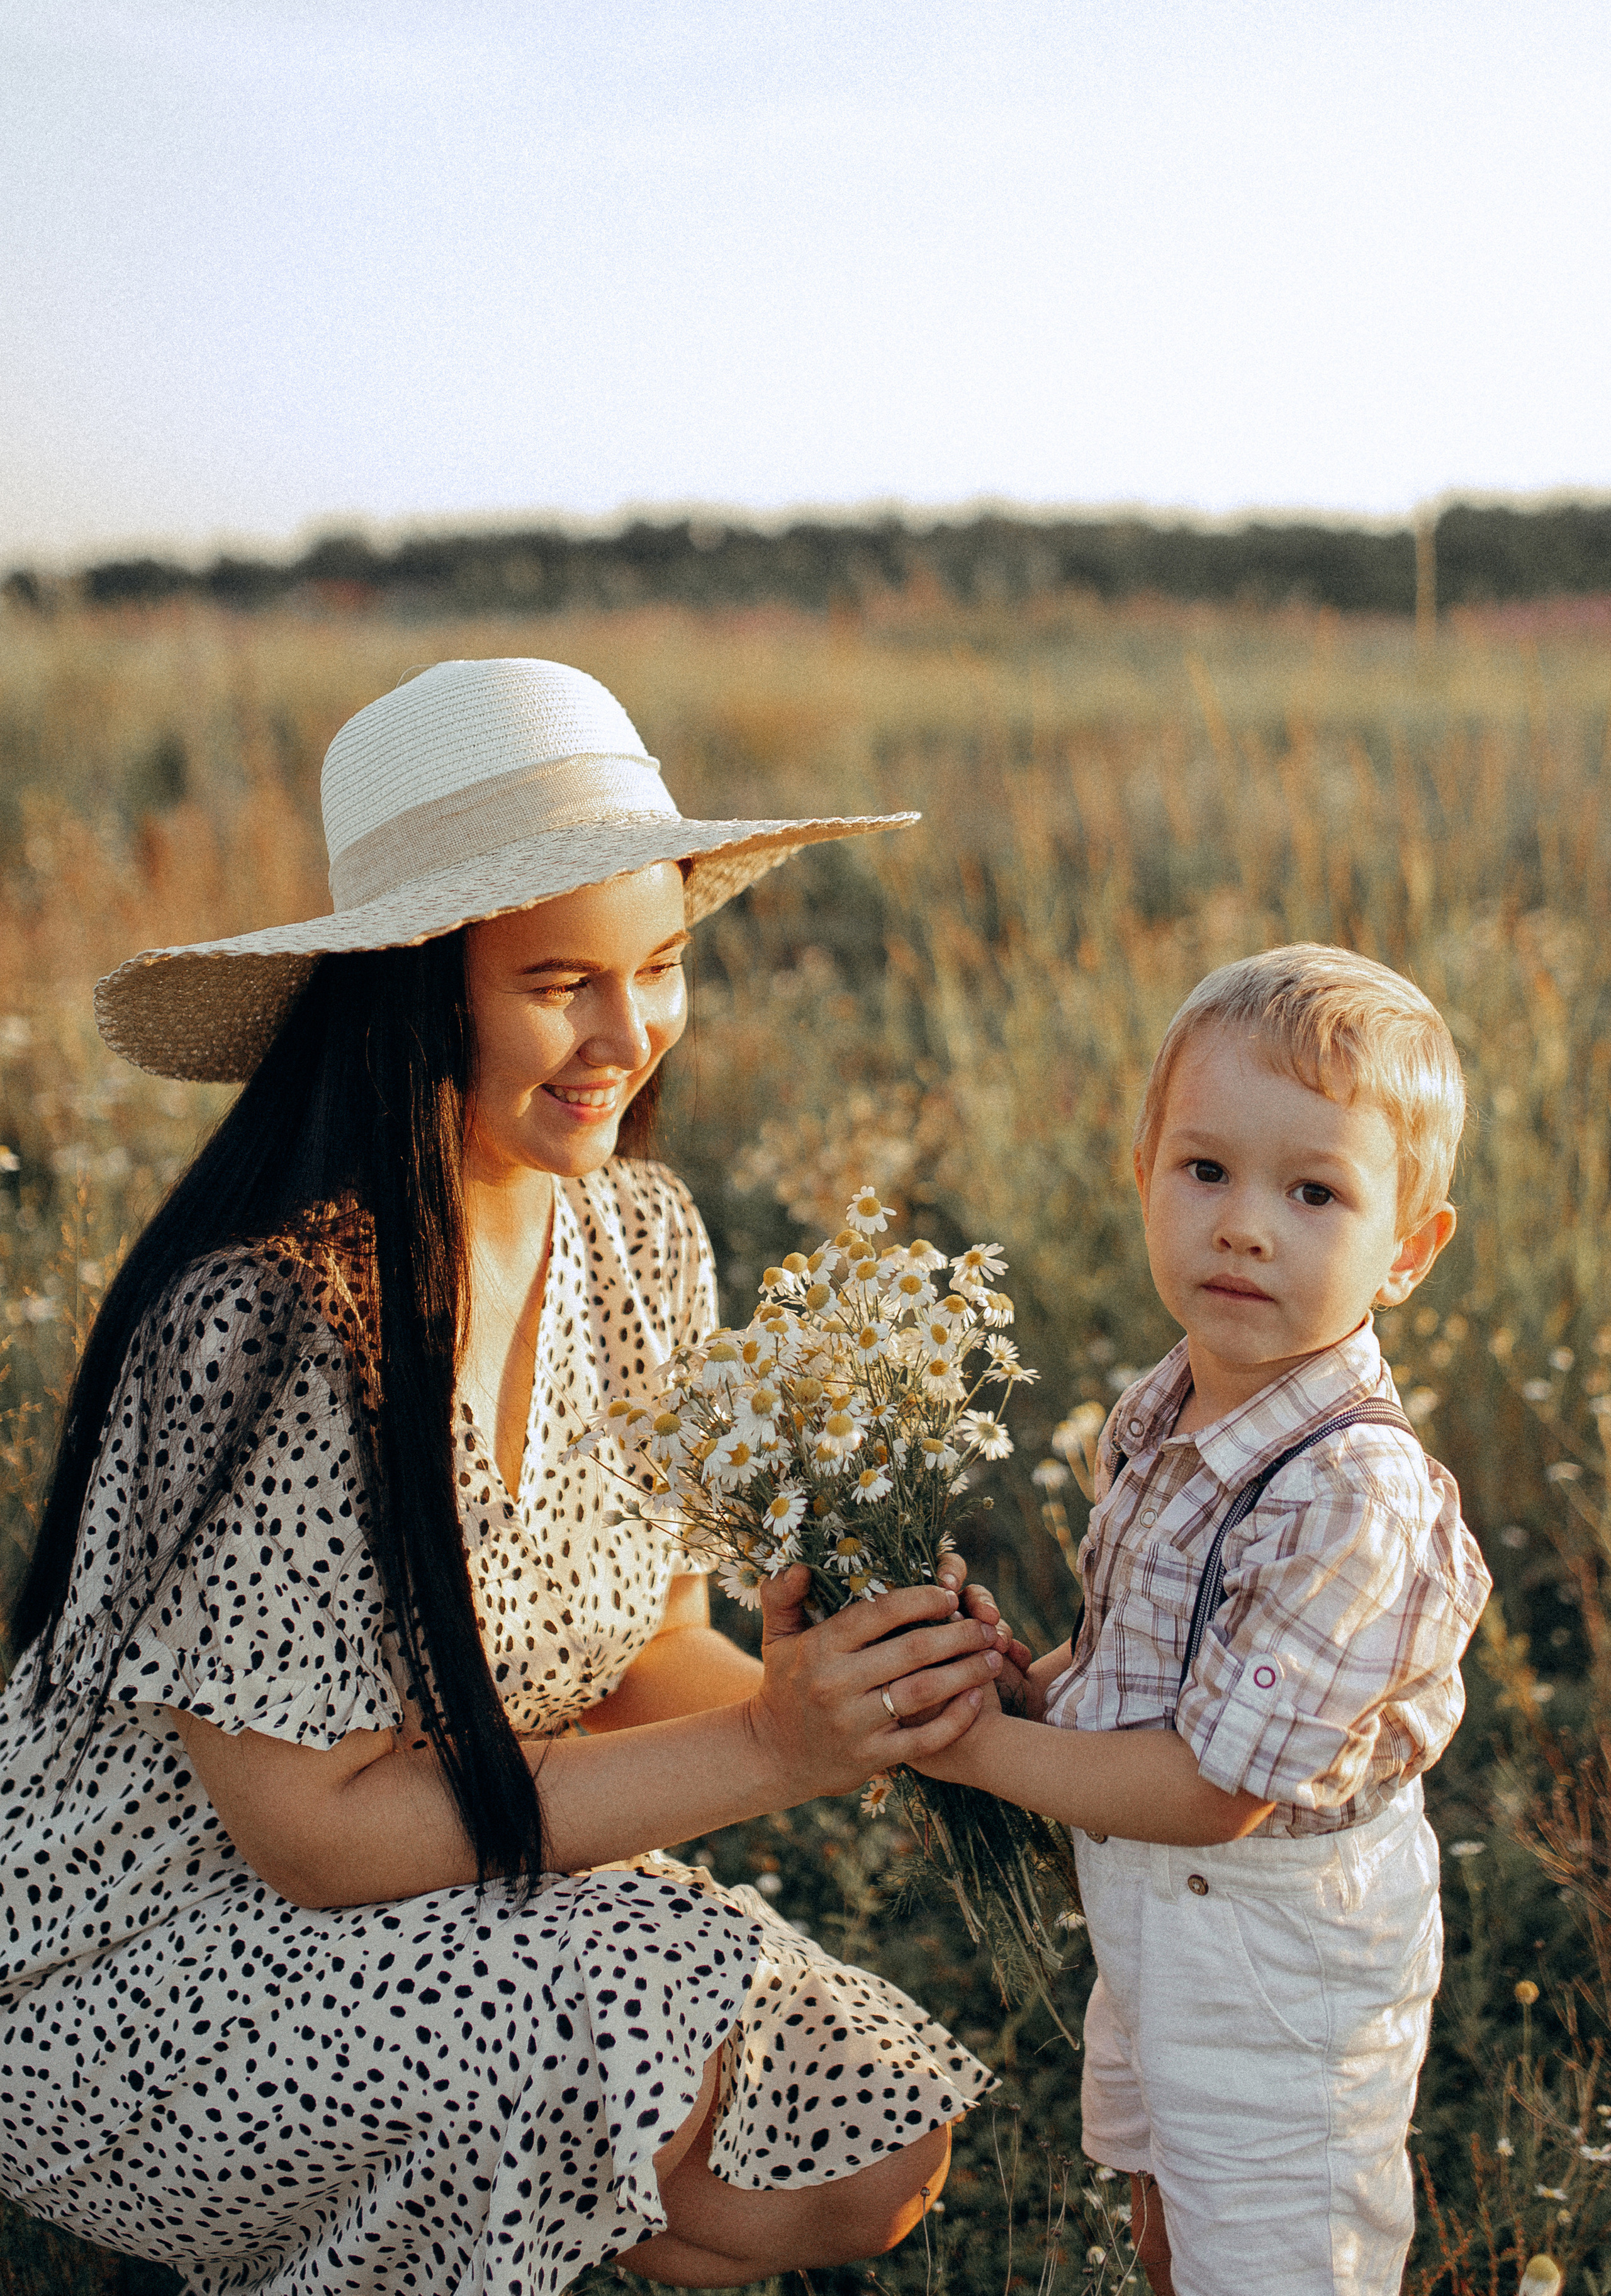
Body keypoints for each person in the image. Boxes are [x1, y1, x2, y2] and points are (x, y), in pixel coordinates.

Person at [0, 657, 1006, 2296]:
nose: (628, 1035)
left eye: (661, 966)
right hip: (134, 1959)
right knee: (580, 2057)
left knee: (865, 2151)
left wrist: (884, 1710)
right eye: (559, 984)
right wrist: (772, 1750)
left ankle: (400, 2222)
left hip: (448, 1879)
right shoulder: (263, 1322)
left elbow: (649, 1645)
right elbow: (314, 1842)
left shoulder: (641, 1238)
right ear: (415, 991)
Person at [896, 945, 1493, 2296]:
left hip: (1279, 1959)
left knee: (1275, 2248)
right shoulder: (1169, 1402)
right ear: (1143, 1175)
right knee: (1169, 2211)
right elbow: (1147, 1653)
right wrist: (1028, 1691)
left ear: (1407, 1250)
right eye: (1206, 1170)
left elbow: (1215, 1790)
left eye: (1314, 1192)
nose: (1243, 1227)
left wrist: (973, 1749)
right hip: (1157, 1919)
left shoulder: (1351, 1493)